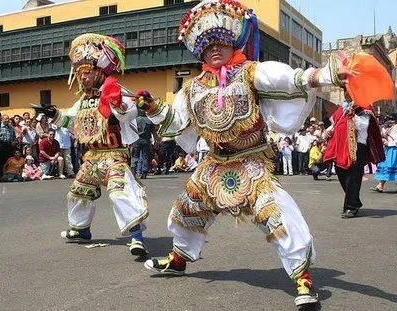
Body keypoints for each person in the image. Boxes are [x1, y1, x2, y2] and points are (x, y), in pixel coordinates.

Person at [136, 0, 355, 307]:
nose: (214, 50)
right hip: (213, 164)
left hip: (252, 161)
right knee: (187, 209)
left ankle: (303, 277)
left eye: (220, 43)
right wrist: (154, 109)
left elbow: (291, 80)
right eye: (207, 45)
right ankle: (178, 259)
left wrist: (323, 75)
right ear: (199, 51)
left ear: (232, 42)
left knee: (275, 213)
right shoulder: (193, 87)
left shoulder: (251, 72)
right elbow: (178, 122)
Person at [36, 33, 148, 255]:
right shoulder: (84, 99)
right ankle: (80, 229)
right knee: (78, 192)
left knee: (120, 193)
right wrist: (54, 113)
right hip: (92, 157)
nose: (83, 78)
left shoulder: (114, 91)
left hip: (114, 155)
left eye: (87, 73)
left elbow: (131, 109)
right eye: (79, 74)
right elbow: (72, 120)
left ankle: (137, 236)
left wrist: (118, 111)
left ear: (99, 71)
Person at [324, 89, 384, 218]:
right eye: (345, 90)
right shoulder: (342, 109)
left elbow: (363, 126)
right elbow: (334, 124)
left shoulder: (363, 106)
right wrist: (328, 131)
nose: (347, 93)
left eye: (350, 90)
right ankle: (354, 201)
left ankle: (351, 207)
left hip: (357, 146)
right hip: (340, 147)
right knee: (341, 174)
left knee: (353, 178)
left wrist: (353, 115)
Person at [371, 118, 397, 192]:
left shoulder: (395, 128)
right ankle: (380, 185)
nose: (389, 121)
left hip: (394, 149)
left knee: (392, 166)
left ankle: (380, 185)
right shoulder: (386, 128)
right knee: (385, 166)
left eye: (391, 120)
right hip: (388, 150)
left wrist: (388, 143)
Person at [133, 109, 154, 179]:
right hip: (146, 140)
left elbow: (131, 130)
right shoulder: (150, 120)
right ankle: (144, 173)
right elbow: (154, 132)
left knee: (135, 156)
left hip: (136, 140)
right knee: (145, 157)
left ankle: (133, 172)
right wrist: (156, 140)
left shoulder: (135, 120)